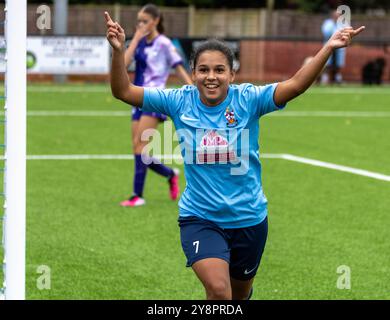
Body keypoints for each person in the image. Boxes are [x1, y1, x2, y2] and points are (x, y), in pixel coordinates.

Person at [105, 11, 364, 300]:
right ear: (193, 74)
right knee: (218, 291)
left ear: (232, 73)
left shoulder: (248, 99)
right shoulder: (179, 100)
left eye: (219, 70)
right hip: (200, 218)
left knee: (239, 297)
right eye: (203, 70)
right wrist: (118, 52)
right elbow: (123, 90)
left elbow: (295, 85)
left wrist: (328, 47)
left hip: (249, 219)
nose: (211, 77)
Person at [120, 4, 193, 207]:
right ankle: (170, 174)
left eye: (145, 21)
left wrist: (195, 92)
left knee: (141, 146)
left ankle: (137, 195)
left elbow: (179, 69)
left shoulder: (164, 44)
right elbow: (123, 64)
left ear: (156, 21)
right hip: (137, 96)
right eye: (139, 21)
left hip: (155, 98)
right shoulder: (141, 42)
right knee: (137, 147)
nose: (141, 24)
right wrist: (134, 38)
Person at [321, 10, 347, 84]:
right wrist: (333, 23)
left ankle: (338, 79)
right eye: (336, 15)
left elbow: (345, 33)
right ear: (333, 16)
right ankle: (325, 79)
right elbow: (326, 33)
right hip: (329, 45)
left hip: (340, 47)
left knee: (338, 64)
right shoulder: (328, 23)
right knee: (326, 63)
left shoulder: (343, 24)